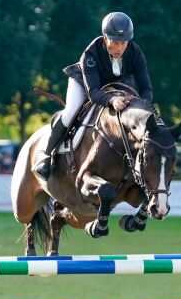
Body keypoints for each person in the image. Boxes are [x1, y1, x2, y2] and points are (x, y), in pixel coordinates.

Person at [34, 11, 154, 179]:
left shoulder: (135, 52)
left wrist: (142, 106)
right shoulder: (91, 54)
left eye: (123, 43)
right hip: (84, 84)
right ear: (105, 37)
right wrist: (112, 100)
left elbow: (146, 88)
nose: (119, 48)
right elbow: (94, 93)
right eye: (115, 42)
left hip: (113, 87)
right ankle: (46, 156)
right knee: (70, 113)